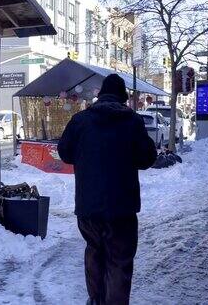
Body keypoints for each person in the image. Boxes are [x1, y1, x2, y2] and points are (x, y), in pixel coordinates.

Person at [58, 74, 157, 305]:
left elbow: (65, 153)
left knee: (94, 251)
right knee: (119, 261)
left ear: (100, 95)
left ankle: (96, 300)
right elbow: (147, 158)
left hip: (88, 206)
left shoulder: (80, 121)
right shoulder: (133, 122)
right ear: (123, 98)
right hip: (122, 208)